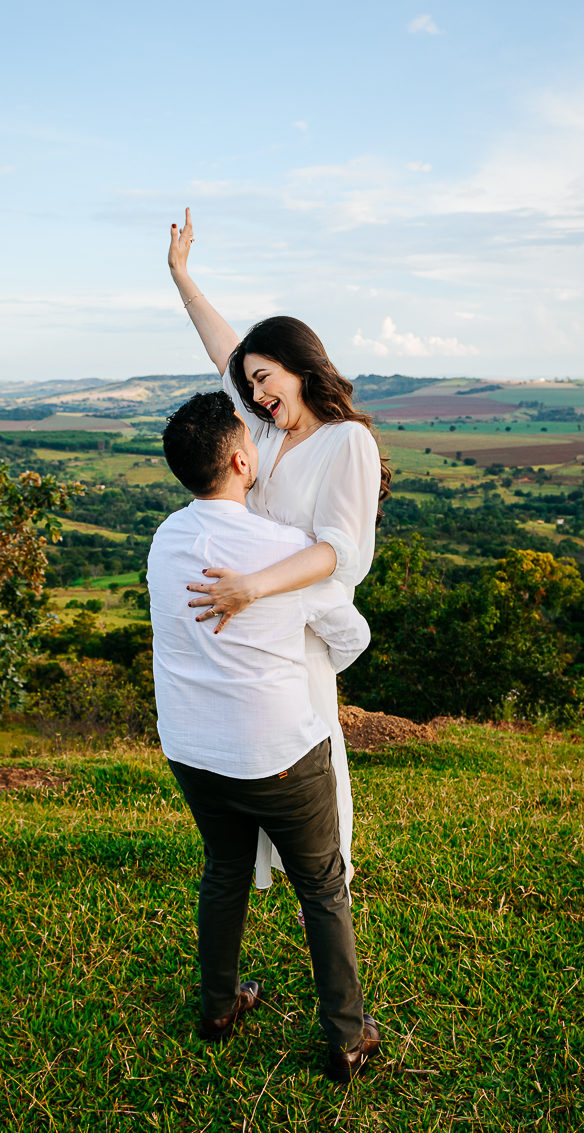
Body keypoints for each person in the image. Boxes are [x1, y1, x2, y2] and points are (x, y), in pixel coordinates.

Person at [147, 390, 381, 1081]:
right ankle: (346, 1036)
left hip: (191, 747)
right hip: (277, 753)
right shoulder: (285, 550)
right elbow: (351, 636)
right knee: (322, 886)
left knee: (224, 871)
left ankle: (217, 1007)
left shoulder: (165, 540)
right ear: (243, 459)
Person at [167, 208, 390, 899]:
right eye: (253, 384)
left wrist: (254, 588)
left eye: (267, 379)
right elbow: (222, 351)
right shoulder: (264, 429)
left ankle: (324, 888)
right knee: (253, 752)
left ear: (300, 367)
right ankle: (263, 871)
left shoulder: (346, 442)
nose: (257, 394)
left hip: (292, 617)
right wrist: (181, 275)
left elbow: (337, 553)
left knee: (312, 750)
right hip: (253, 617)